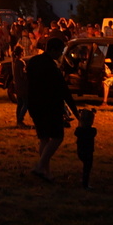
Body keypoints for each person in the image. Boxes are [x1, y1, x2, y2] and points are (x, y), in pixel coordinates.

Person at [24, 36, 72, 182]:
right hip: (49, 106)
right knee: (57, 137)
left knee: (44, 138)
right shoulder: (52, 67)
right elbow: (61, 89)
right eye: (59, 51)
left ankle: (46, 171)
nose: (60, 54)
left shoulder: (33, 62)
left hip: (35, 105)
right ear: (52, 50)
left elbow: (29, 84)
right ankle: (40, 166)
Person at [73, 107, 98, 190]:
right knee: (87, 168)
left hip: (80, 151)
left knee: (86, 167)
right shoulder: (93, 131)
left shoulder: (79, 130)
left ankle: (84, 182)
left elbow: (76, 132)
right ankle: (85, 184)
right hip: (88, 152)